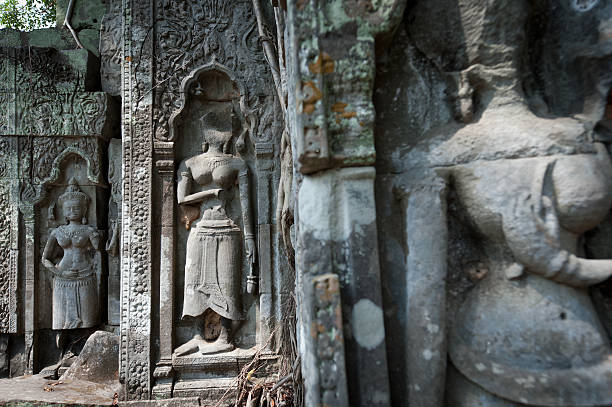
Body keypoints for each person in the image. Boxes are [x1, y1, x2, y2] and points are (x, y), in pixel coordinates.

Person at [174, 121, 256, 356]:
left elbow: (246, 205)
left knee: (227, 283)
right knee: (195, 282)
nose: (218, 136)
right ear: (205, 136)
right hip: (199, 229)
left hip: (228, 228)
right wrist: (209, 193)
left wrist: (250, 238)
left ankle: (225, 336)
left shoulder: (237, 163)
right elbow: (182, 199)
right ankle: (197, 335)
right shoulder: (190, 163)